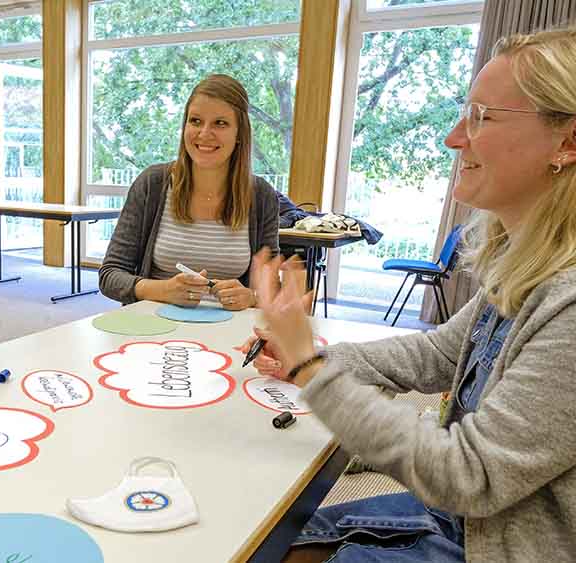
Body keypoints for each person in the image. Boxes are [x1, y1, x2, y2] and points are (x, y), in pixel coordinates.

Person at [242, 27, 576, 562]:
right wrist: (311, 359)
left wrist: (312, 368)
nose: (453, 138)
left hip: (498, 545)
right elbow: (438, 354)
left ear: (568, 142)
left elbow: (468, 474)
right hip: (462, 522)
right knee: (264, 540)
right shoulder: (528, 264)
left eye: (482, 117)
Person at [98, 74, 279, 311]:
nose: (204, 133)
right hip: (153, 327)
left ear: (239, 134)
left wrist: (253, 296)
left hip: (230, 330)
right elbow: (109, 275)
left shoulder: (261, 196)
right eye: (195, 121)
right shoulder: (153, 184)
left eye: (220, 123)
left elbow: (272, 289)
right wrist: (161, 290)